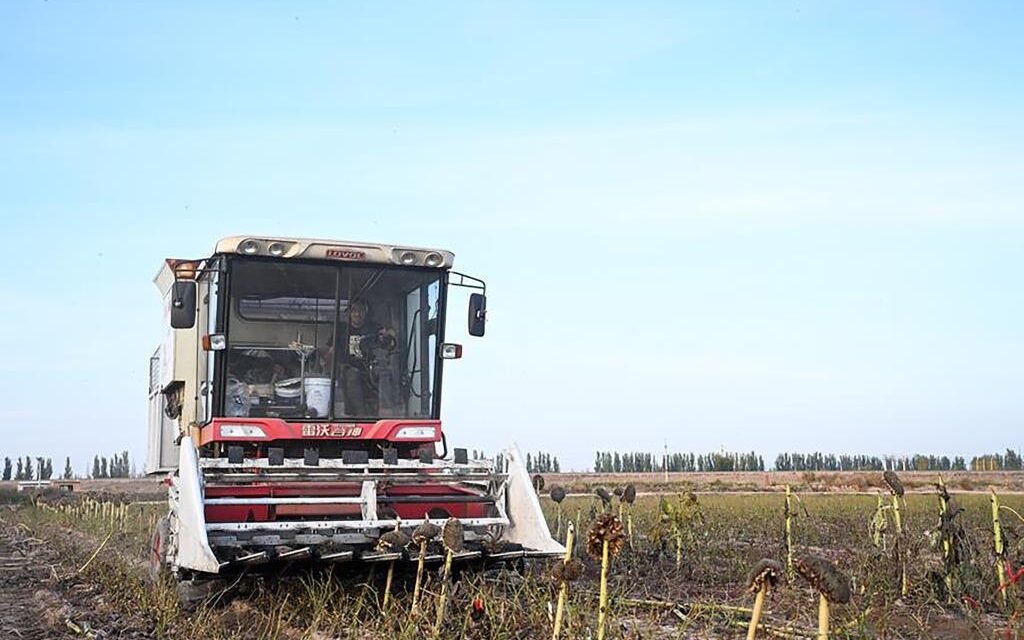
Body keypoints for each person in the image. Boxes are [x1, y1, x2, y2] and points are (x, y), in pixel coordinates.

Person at [320, 300, 397, 416]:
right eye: (354, 311)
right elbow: (331, 351)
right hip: (348, 370)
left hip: (372, 371)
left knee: (385, 374)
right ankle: (360, 416)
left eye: (360, 311)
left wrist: (388, 335)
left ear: (366, 312)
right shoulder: (341, 331)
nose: (357, 314)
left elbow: (390, 336)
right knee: (352, 375)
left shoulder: (374, 327)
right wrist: (324, 362)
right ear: (349, 313)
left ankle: (386, 412)